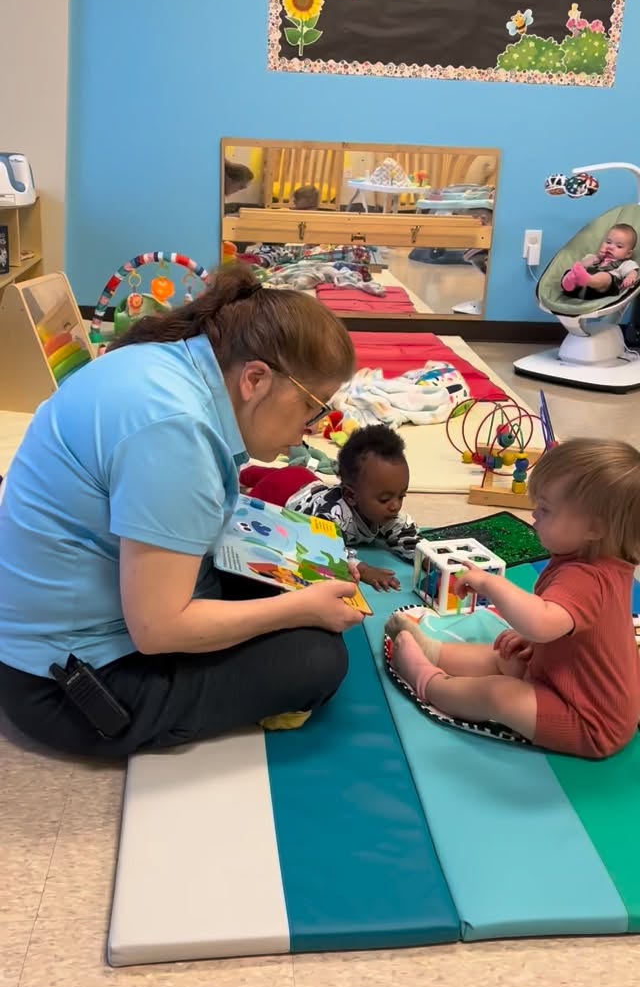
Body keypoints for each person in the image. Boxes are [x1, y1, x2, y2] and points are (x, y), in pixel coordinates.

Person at [0, 264, 364, 758]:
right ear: (255, 379)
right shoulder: (175, 431)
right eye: (312, 408)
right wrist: (297, 607)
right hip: (65, 686)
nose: (312, 428)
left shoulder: (170, 366)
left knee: (290, 582)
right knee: (316, 658)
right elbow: (159, 629)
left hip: (61, 630)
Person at [386, 439, 640, 759]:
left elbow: (541, 622)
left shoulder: (586, 579)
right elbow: (580, 627)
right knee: (505, 656)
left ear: (594, 528)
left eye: (545, 509)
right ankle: (434, 651)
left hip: (589, 724)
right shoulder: (606, 561)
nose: (534, 514)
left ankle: (430, 684)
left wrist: (489, 584)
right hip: (570, 682)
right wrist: (535, 640)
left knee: (500, 693)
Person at [242, 425, 419, 592]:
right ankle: (244, 471)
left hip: (308, 481)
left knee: (281, 473)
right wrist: (362, 569)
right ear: (351, 496)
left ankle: (256, 473)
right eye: (385, 499)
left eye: (401, 495)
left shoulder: (389, 514)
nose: (396, 506)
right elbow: (322, 547)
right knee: (251, 501)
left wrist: (426, 559)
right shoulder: (331, 517)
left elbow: (406, 534)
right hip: (283, 492)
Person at [561, 224, 639, 297]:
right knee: (571, 272)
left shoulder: (626, 263)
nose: (610, 247)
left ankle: (589, 280)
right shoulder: (593, 257)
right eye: (608, 242)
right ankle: (568, 284)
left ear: (628, 254)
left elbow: (633, 272)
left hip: (603, 291)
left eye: (619, 246)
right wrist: (596, 258)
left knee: (606, 277)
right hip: (580, 289)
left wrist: (630, 278)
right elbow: (581, 265)